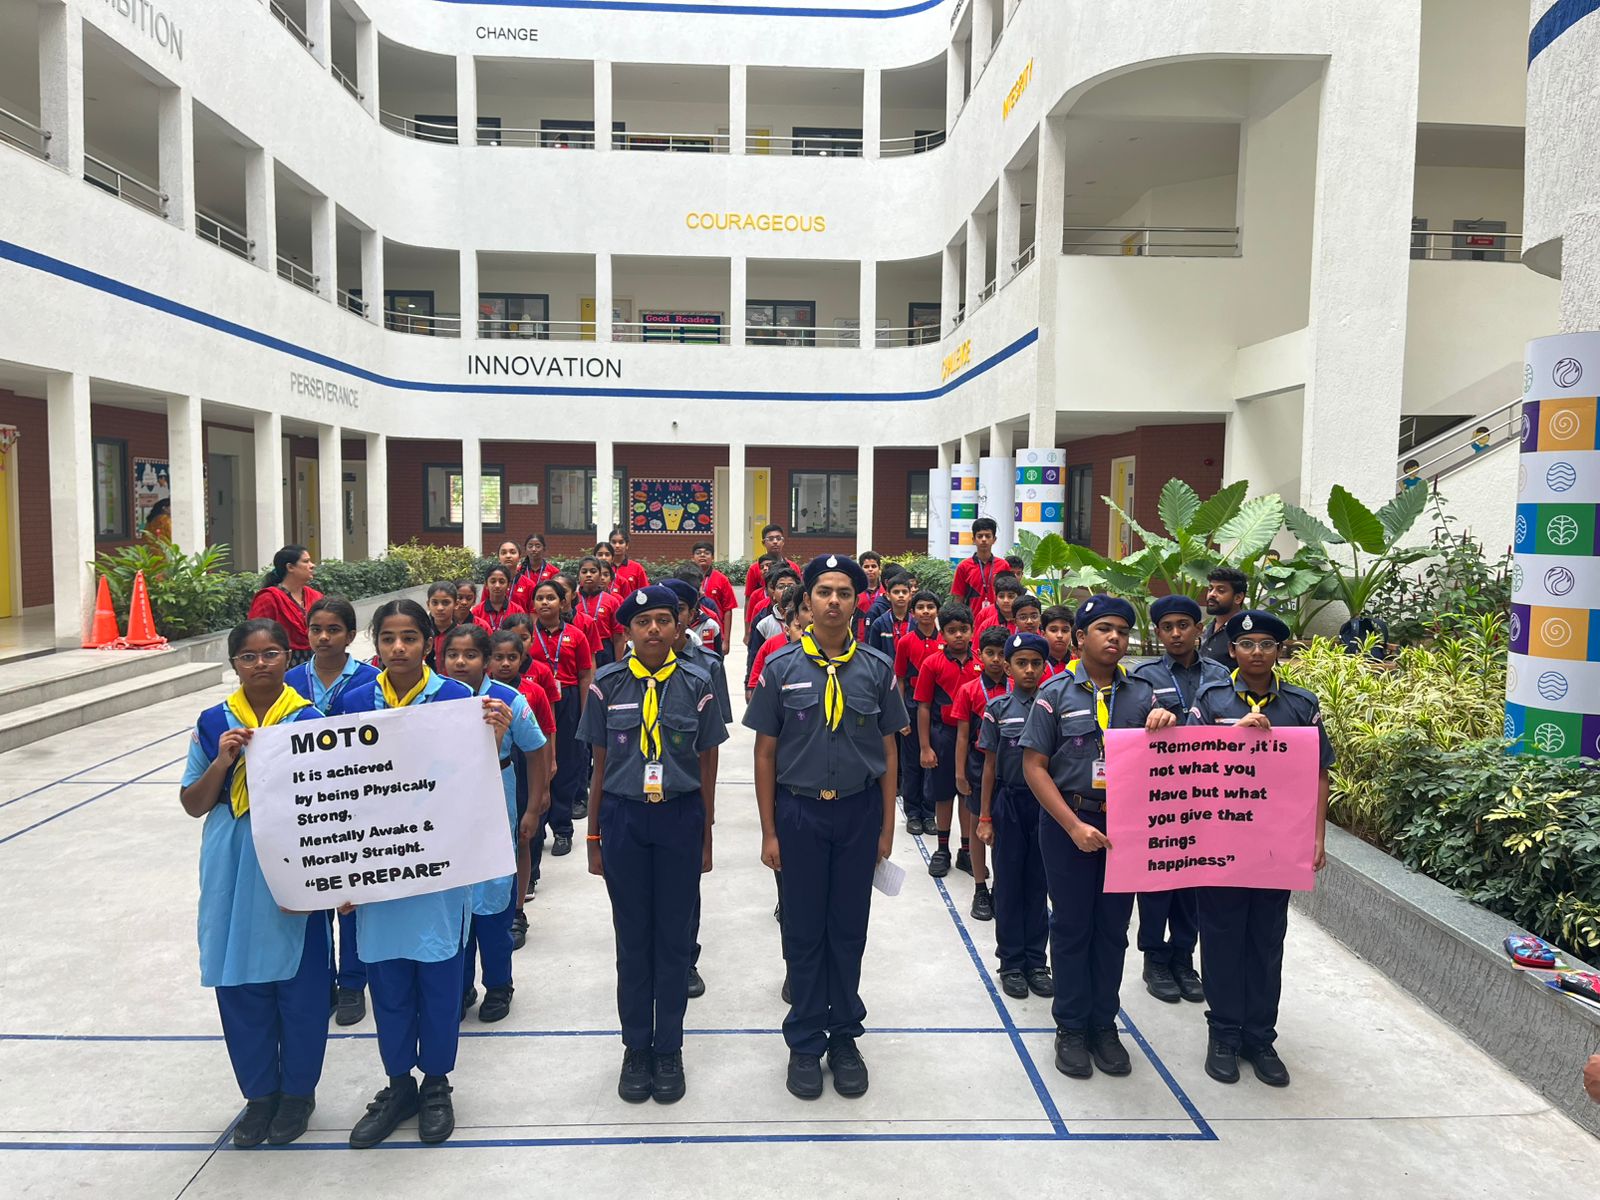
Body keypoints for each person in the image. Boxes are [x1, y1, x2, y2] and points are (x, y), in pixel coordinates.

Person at [330, 599, 506, 1148]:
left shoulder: (456, 700)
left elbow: (471, 783)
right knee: (387, 983)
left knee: (437, 979)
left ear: (429, 643)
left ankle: (436, 1083)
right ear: (375, 644)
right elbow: (335, 789)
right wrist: (340, 871)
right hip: (378, 867)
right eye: (388, 638)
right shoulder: (354, 702)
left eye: (409, 637)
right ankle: (397, 1082)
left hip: (436, 868)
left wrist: (493, 741)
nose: (398, 648)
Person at [745, 554, 908, 1100]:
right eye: (824, 592)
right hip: (799, 812)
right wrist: (769, 831)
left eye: (844, 591)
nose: (834, 600)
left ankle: (844, 1037)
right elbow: (764, 753)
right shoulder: (781, 668)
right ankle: (805, 1041)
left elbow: (888, 750)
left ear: (858, 601)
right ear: (806, 602)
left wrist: (887, 827)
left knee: (848, 929)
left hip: (858, 812)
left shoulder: (877, 669)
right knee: (803, 930)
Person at [180, 618, 327, 1147]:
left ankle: (297, 1094)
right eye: (248, 656)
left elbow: (335, 804)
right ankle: (259, 1094)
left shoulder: (310, 721)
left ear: (289, 658)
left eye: (271, 654)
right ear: (234, 663)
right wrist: (222, 761)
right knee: (237, 976)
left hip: (294, 854)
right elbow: (193, 803)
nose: (260, 663)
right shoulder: (211, 722)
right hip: (232, 859)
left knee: (301, 984)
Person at [581, 586, 729, 1103]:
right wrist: (594, 834)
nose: (653, 630)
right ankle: (635, 1048)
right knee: (632, 940)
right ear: (627, 630)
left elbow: (707, 762)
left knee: (672, 940)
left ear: (678, 627)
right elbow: (598, 764)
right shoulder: (605, 684)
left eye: (663, 620)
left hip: (679, 817)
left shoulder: (699, 681)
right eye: (643, 621)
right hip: (623, 818)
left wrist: (706, 832)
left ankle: (669, 1047)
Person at [1020, 595, 1176, 1080]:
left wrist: (1169, 726)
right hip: (1071, 823)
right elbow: (1034, 766)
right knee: (1071, 927)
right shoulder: (1055, 694)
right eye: (1104, 629)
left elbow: (1179, 760)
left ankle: (1102, 1025)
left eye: (1123, 632)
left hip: (1126, 827)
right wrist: (1073, 825)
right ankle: (1070, 1026)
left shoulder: (1145, 695)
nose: (1115, 639)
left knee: (1112, 929)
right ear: (1080, 637)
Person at [1188, 609, 1333, 1089]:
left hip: (1278, 845)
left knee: (1267, 941)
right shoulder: (1210, 699)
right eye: (1246, 644)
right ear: (1232, 651)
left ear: (1279, 652)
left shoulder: (1300, 705)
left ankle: (1260, 1037)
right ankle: (1225, 1033)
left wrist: (1317, 837)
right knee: (1223, 935)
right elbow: (1189, 761)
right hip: (1221, 844)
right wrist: (1232, 736)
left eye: (1266, 644)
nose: (1256, 652)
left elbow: (1318, 773)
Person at [439, 624, 547, 1025]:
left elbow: (536, 751)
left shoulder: (507, 699)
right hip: (445, 809)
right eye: (453, 654)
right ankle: (460, 984)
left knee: (493, 903)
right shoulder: (434, 698)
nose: (460, 662)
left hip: (494, 801)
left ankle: (499, 984)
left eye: (470, 655)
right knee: (454, 903)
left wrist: (533, 808)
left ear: (485, 660)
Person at [284, 596, 380, 1027]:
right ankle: (320, 981)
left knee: (353, 894)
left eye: (334, 630)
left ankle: (352, 983)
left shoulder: (372, 681)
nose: (323, 638)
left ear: (350, 635)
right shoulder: (287, 683)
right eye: (316, 629)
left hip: (358, 804)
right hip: (305, 804)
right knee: (314, 892)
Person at [1129, 595, 1229, 1005]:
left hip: (1204, 797)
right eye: (1167, 626)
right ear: (1157, 632)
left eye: (1183, 625)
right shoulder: (1143, 676)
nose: (1175, 633)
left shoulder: (1222, 674)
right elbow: (1128, 728)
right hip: (1158, 798)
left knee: (1194, 880)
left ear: (1198, 629)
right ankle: (1155, 957)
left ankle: (1184, 957)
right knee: (1157, 880)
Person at [660, 576, 735, 999]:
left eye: (674, 612)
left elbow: (711, 745)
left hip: (687, 790)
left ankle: (687, 958)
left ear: (689, 616)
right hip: (645, 791)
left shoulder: (707, 665)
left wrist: (709, 805)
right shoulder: (631, 665)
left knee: (687, 884)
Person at [976, 632, 1054, 1000]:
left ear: (1045, 666)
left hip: (1046, 804)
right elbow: (989, 766)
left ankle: (1036, 961)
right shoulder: (998, 709)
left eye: (1035, 663)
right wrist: (985, 816)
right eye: (1020, 663)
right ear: (1006, 667)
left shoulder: (1054, 706)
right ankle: (1010, 962)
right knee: (1008, 883)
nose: (1028, 670)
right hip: (1009, 801)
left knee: (1038, 883)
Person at [487, 629, 554, 949]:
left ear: (522, 659)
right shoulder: (465, 694)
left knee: (522, 839)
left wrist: (543, 788)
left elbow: (545, 735)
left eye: (511, 657)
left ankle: (517, 909)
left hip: (521, 768)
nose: (504, 663)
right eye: (497, 657)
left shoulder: (528, 692)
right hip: (485, 775)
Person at [526, 579, 595, 853]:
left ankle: (563, 829)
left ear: (562, 602)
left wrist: (585, 711)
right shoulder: (527, 635)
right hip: (536, 700)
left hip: (567, 700)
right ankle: (538, 827)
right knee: (538, 763)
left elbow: (585, 675)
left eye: (550, 598)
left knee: (565, 764)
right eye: (540, 598)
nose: (545, 603)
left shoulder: (575, 635)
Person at [916, 602, 980, 878]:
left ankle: (966, 850)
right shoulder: (932, 664)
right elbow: (924, 707)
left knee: (967, 793)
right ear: (943, 632)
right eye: (952, 630)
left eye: (963, 630)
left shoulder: (981, 663)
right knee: (943, 795)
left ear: (972, 631)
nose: (958, 636)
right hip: (943, 736)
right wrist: (925, 747)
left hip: (974, 739)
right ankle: (943, 848)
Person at [952, 624, 1010, 917]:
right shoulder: (969, 690)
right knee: (978, 826)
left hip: (1011, 771)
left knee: (1003, 831)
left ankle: (1002, 887)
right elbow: (962, 735)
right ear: (979, 655)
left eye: (1002, 654)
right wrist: (959, 773)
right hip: (977, 768)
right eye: (990, 653)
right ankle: (980, 888)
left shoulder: (1019, 689)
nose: (996, 660)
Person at [893, 588, 944, 835]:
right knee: (912, 762)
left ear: (937, 611)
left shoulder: (944, 641)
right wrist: (901, 713)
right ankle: (913, 813)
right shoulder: (905, 642)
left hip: (936, 708)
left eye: (930, 607)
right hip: (912, 706)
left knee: (933, 761)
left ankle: (929, 812)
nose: (926, 612)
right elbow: (900, 679)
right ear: (913, 613)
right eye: (921, 608)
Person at [248, 546, 323, 667]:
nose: (312, 565)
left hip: (317, 664)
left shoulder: (315, 596)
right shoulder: (269, 599)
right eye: (306, 561)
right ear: (290, 567)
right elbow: (255, 636)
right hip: (281, 666)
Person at [953, 517, 1013, 611]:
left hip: (997, 620)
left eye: (988, 536)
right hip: (973, 622)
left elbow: (1010, 595)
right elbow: (958, 599)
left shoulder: (1003, 565)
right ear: (973, 539)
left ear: (994, 539)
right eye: (980, 536)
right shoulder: (963, 566)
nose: (984, 539)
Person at [691, 540, 738, 644]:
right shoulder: (686, 577)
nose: (702, 555)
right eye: (698, 553)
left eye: (707, 553)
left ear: (712, 558)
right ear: (693, 558)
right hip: (692, 629)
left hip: (716, 630)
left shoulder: (722, 579)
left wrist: (726, 640)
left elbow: (728, 610)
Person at [1202, 567, 1248, 665]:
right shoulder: (1209, 627)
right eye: (1210, 589)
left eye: (1221, 590)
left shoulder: (1245, 631)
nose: (1212, 594)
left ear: (1238, 597)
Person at [865, 572, 913, 661]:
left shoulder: (916, 623)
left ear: (910, 595)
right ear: (888, 595)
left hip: (912, 673)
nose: (901, 595)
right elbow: (873, 654)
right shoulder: (879, 623)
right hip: (886, 672)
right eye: (896, 592)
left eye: (904, 592)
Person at [743, 524, 800, 597]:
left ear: (783, 542)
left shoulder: (793, 567)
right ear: (763, 543)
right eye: (771, 539)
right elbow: (749, 597)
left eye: (778, 538)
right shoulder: (754, 568)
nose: (775, 542)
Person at [511, 533, 559, 610]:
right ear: (525, 549)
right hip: (523, 614)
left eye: (537, 546)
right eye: (530, 546)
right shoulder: (518, 571)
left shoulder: (554, 571)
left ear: (544, 549)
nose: (533, 549)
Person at [472, 564, 525, 633]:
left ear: (508, 585)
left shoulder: (518, 611)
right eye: (493, 581)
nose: (497, 586)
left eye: (502, 582)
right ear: (486, 585)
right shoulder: (476, 612)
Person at [975, 573, 1024, 637]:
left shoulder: (1026, 624)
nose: (1006, 600)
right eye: (1001, 596)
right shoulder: (987, 624)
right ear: (996, 599)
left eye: (1011, 596)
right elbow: (977, 646)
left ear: (1019, 597)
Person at [424, 582, 458, 669]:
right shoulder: (422, 633)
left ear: (456, 604)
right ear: (428, 604)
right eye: (435, 603)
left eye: (446, 603)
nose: (440, 608)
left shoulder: (461, 634)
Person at [608, 528, 650, 594]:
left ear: (627, 545)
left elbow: (645, 592)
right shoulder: (604, 568)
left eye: (621, 542)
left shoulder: (637, 568)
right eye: (613, 542)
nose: (617, 546)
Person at [1040, 604, 1075, 678]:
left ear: (1071, 633)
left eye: (1065, 630)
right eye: (1053, 630)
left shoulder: (1079, 664)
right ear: (1043, 634)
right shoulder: (1037, 664)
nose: (1059, 635)